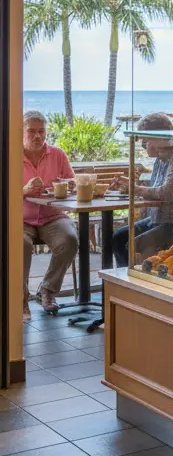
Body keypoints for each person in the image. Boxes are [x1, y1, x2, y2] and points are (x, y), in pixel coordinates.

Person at [111, 113, 173, 265]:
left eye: (146, 138)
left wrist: (135, 188)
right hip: (160, 220)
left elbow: (166, 193)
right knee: (119, 237)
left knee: (135, 245)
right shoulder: (161, 159)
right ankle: (126, 284)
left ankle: (138, 282)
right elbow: (154, 192)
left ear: (162, 138)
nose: (142, 143)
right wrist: (129, 187)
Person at [22, 111, 79, 317]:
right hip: (20, 220)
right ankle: (20, 299)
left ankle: (47, 290)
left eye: (41, 131)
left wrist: (70, 185)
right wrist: (24, 190)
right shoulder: (10, 155)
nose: (37, 136)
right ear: (21, 132)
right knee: (20, 244)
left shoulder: (58, 154)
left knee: (70, 239)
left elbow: (72, 183)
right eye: (31, 131)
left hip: (52, 216)